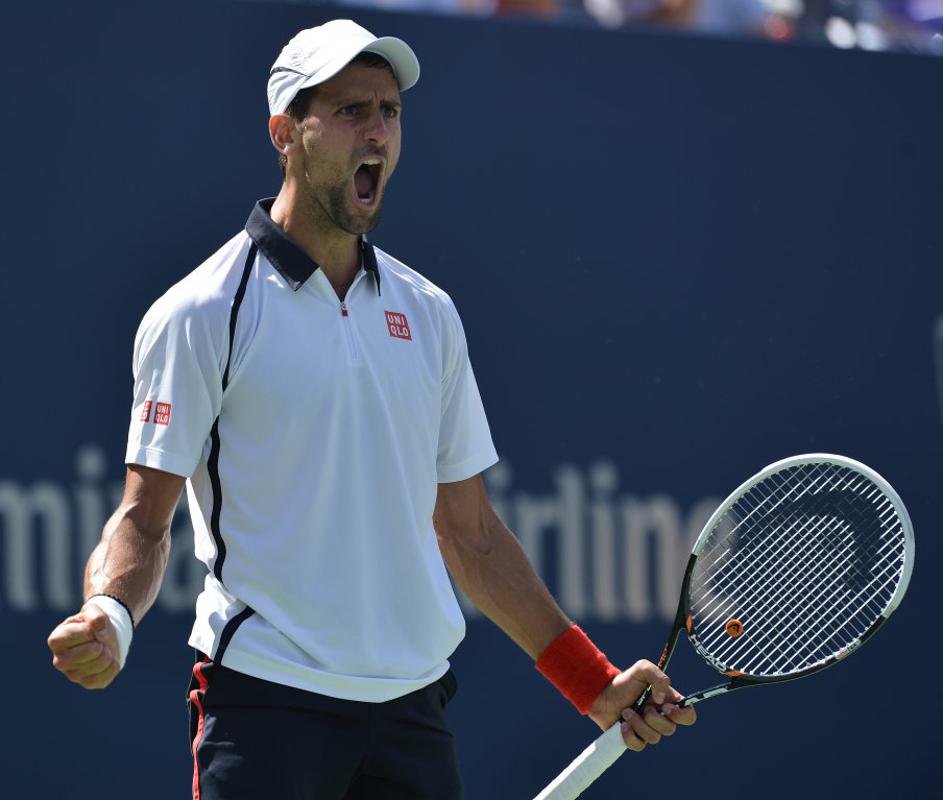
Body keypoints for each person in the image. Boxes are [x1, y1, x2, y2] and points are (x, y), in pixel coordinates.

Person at [46, 19, 696, 799]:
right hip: (266, 708)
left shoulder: (430, 314)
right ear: (285, 133)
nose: (378, 131)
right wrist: (109, 615)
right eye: (351, 110)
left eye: (390, 111)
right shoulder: (201, 311)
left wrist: (593, 686)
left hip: (411, 715)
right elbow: (144, 520)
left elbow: (473, 537)